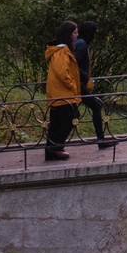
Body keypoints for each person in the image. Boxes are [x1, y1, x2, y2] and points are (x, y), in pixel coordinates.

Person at [42, 21, 81, 161]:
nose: (77, 35)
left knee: (57, 120)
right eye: (75, 32)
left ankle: (52, 149)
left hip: (59, 92)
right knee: (71, 117)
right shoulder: (61, 51)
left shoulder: (60, 50)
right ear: (68, 34)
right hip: (62, 92)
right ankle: (55, 147)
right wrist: (72, 85)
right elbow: (62, 72)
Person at [74, 18, 112, 150]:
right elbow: (73, 64)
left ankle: (55, 143)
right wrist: (85, 77)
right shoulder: (82, 44)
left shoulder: (81, 43)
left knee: (73, 113)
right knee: (96, 106)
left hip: (78, 83)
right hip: (78, 84)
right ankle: (100, 140)